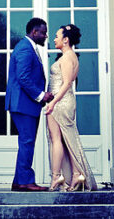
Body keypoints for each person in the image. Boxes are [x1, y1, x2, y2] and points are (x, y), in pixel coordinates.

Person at [44, 24, 98, 191]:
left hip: (60, 102)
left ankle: (57, 176)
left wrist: (53, 102)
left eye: (57, 36)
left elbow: (67, 83)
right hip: (63, 101)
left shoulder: (68, 57)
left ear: (66, 40)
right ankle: (75, 175)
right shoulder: (70, 56)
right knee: (67, 140)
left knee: (56, 140)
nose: (54, 39)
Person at [5, 17, 54, 191]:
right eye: (43, 32)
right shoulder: (25, 49)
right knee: (27, 142)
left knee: (26, 142)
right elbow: (23, 77)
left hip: (25, 104)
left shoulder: (27, 47)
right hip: (23, 104)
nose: (46, 36)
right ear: (34, 32)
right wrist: (41, 95)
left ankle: (19, 181)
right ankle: (25, 182)